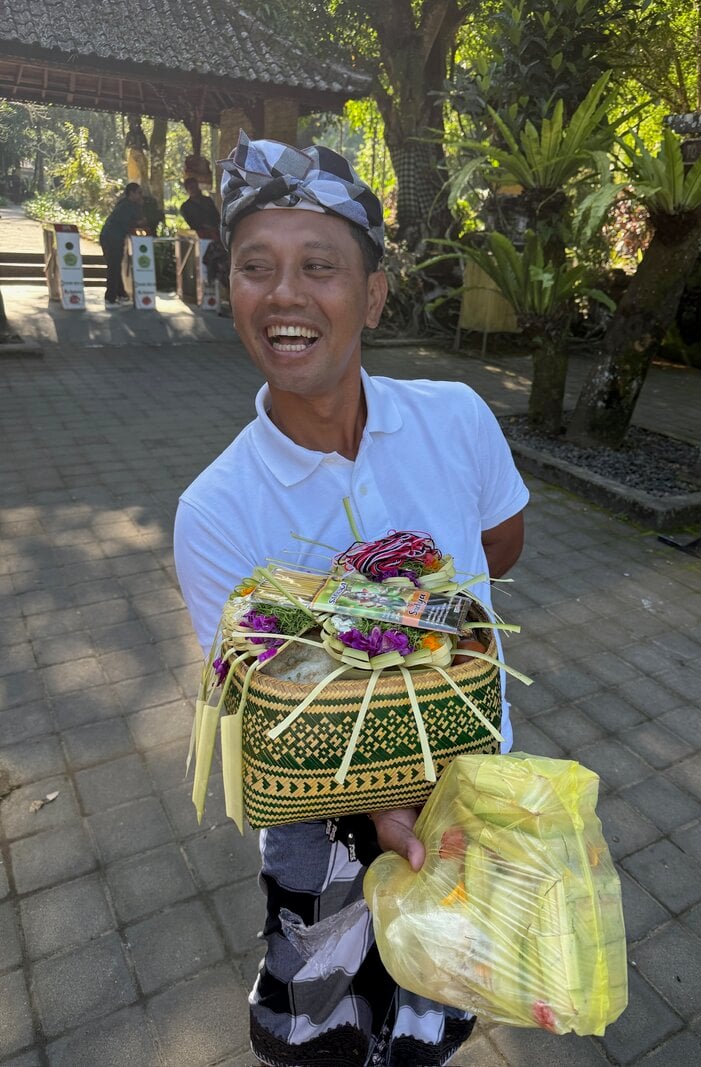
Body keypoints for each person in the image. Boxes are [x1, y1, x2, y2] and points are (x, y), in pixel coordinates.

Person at [173, 133, 529, 1067]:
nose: (284, 294)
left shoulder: (456, 419)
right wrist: (376, 809)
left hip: (463, 796)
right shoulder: (215, 510)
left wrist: (409, 613)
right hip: (320, 830)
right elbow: (272, 708)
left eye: (319, 266)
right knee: (321, 1024)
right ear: (230, 291)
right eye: (256, 267)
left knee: (434, 1014)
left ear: (373, 293)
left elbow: (503, 547)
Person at [98, 182, 146, 307]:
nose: (141, 195)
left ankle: (121, 293)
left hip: (109, 236)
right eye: (139, 193)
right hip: (112, 238)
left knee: (115, 265)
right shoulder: (128, 206)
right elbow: (133, 222)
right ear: (131, 193)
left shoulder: (123, 203)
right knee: (113, 266)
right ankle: (110, 297)